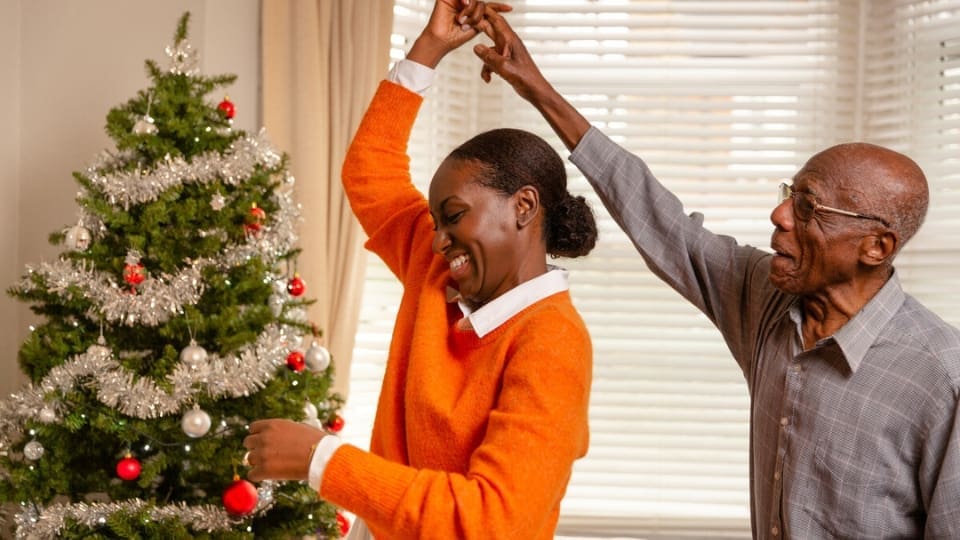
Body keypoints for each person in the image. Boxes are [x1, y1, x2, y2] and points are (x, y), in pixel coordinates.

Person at [466, 7, 960, 540]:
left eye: (810, 207)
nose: (779, 215)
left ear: (876, 246)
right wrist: (537, 88)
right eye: (789, 195)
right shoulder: (767, 300)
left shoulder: (942, 379)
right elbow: (662, 222)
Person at [242, 2, 598, 539]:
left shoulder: (552, 343)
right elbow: (371, 170)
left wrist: (322, 460)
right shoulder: (439, 273)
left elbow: (489, 521)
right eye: (435, 221)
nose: (435, 239)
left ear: (523, 207)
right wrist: (428, 46)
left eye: (453, 216)